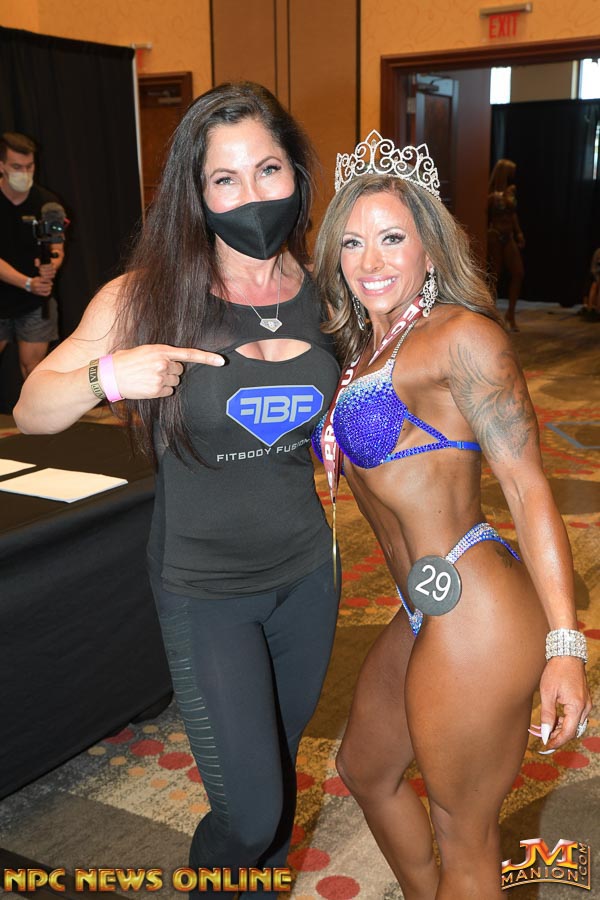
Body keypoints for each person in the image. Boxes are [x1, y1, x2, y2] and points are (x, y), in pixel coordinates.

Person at [14, 82, 341, 896]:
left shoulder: (329, 291)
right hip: (206, 590)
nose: (251, 194)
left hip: (308, 576)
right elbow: (32, 411)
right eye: (225, 178)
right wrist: (109, 375)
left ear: (297, 173)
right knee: (250, 813)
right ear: (196, 195)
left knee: (276, 781)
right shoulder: (146, 297)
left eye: (268, 169)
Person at [312, 131, 592, 900]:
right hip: (423, 604)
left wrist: (565, 645)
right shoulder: (362, 350)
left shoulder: (462, 338)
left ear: (429, 248)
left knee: (465, 839)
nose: (370, 260)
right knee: (366, 769)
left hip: (477, 609)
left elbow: (529, 488)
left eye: (392, 238)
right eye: (352, 242)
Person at [0, 132, 65, 379]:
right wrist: (28, 283)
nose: (25, 173)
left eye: (30, 166)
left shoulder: (48, 203)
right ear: (1, 166)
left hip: (35, 302)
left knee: (34, 370)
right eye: (17, 167)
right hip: (11, 290)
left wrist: (52, 265)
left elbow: (57, 248)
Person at [487, 158, 524, 332]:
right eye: (510, 173)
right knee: (495, 274)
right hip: (495, 235)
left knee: (518, 272)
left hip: (509, 236)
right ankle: (492, 315)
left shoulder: (511, 190)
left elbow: (513, 214)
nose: (512, 176)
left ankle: (510, 313)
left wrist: (519, 233)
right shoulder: (491, 192)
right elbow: (485, 213)